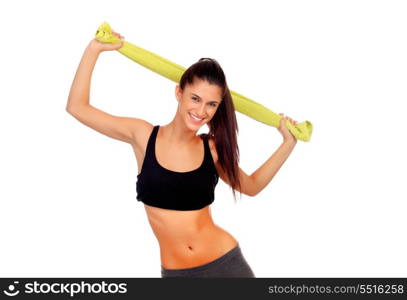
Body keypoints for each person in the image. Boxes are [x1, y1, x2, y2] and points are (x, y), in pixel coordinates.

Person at [66, 31, 298, 278]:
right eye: (195, 98)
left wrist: (288, 143)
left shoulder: (211, 148)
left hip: (226, 266)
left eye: (211, 104)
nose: (201, 111)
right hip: (177, 275)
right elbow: (77, 107)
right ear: (179, 92)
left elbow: (251, 186)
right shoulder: (143, 136)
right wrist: (94, 49)